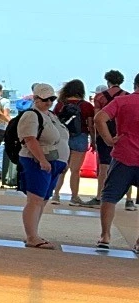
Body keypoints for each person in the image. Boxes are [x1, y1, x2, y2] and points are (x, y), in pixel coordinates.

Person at [15, 83, 68, 250]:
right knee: (35, 199)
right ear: (36, 99)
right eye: (45, 99)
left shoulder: (50, 115)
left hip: (53, 163)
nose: (49, 102)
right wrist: (42, 160)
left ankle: (33, 233)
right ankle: (32, 236)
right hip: (36, 161)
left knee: (42, 200)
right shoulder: (31, 115)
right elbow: (29, 139)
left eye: (52, 99)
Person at [95, 74, 139, 250]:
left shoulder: (123, 101)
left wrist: (108, 140)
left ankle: (105, 235)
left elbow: (99, 118)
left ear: (135, 85)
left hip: (123, 154)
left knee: (110, 196)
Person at [89, 70, 131, 210]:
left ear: (108, 81)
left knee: (103, 167)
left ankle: (99, 197)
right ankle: (129, 200)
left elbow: (97, 119)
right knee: (127, 166)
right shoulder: (127, 96)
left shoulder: (100, 97)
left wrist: (97, 138)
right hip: (121, 134)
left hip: (104, 134)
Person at [49, 79, 92, 207]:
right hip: (80, 137)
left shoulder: (60, 105)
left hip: (63, 137)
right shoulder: (86, 106)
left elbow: (55, 123)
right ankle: (74, 197)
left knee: (62, 168)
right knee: (75, 170)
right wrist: (94, 140)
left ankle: (55, 195)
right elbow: (90, 125)